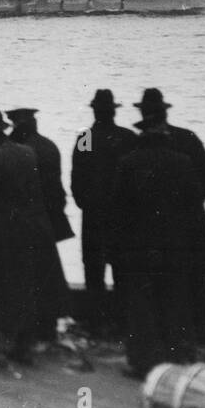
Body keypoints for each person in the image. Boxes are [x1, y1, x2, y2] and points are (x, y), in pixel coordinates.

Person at [113, 121, 204, 378]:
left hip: (139, 247)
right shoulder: (183, 162)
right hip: (175, 245)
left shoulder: (128, 162)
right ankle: (177, 357)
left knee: (142, 305)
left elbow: (118, 207)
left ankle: (143, 362)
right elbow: (195, 203)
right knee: (175, 301)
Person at [0, 109, 56, 365]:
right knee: (24, 286)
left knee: (4, 288)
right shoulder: (27, 152)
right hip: (30, 228)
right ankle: (24, 344)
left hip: (4, 232)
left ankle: (3, 346)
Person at [132, 88, 205, 343]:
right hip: (190, 220)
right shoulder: (188, 138)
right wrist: (192, 203)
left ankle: (170, 334)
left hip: (155, 225)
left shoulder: (140, 146)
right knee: (193, 277)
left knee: (161, 281)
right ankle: (200, 332)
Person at [69, 90, 137, 337]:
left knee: (93, 269)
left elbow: (77, 176)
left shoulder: (85, 136)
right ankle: (123, 322)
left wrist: (84, 202)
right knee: (122, 270)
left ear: (94, 110)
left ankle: (96, 323)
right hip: (123, 215)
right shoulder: (127, 137)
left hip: (93, 213)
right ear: (113, 110)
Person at [6, 107, 72, 338]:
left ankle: (29, 325)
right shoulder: (49, 146)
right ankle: (49, 323)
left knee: (25, 276)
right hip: (49, 217)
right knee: (48, 273)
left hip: (26, 220)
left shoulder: (20, 150)